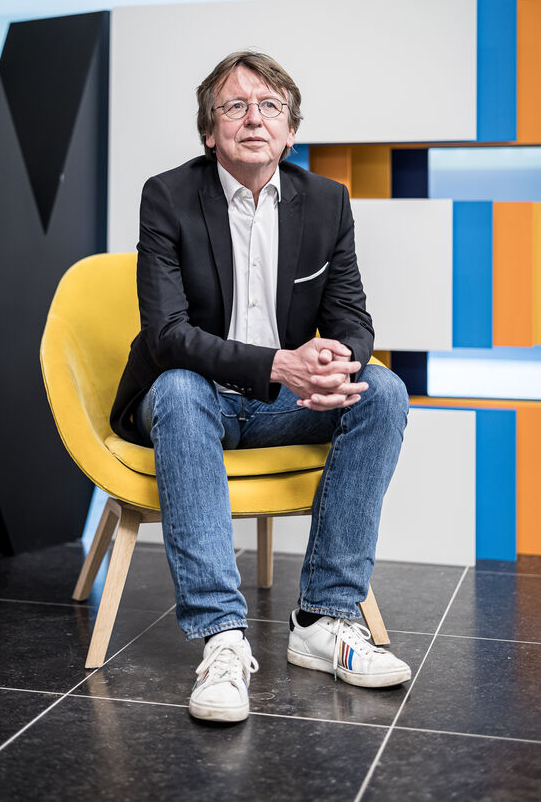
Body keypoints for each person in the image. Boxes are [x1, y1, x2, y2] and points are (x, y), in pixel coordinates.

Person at [110, 50, 411, 724]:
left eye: (270, 106)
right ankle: (222, 638)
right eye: (235, 106)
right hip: (195, 400)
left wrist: (335, 363)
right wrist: (280, 365)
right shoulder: (167, 195)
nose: (254, 118)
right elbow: (166, 335)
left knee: (382, 391)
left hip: (283, 406)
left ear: (290, 130)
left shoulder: (326, 202)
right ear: (209, 130)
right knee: (180, 386)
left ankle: (324, 620)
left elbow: (352, 316)